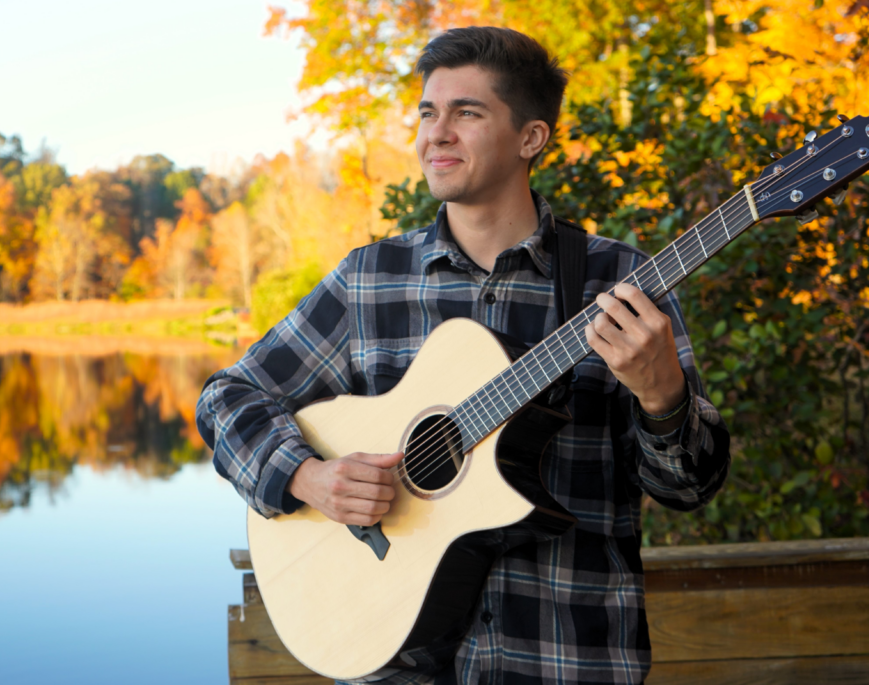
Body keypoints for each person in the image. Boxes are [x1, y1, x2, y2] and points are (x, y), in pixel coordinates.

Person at [197, 26, 730, 685]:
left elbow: (689, 487)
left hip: (564, 661)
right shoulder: (370, 281)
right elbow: (226, 398)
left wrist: (663, 397)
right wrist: (308, 477)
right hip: (394, 670)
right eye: (428, 113)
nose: (437, 133)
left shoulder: (618, 283)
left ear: (531, 138)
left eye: (466, 113)